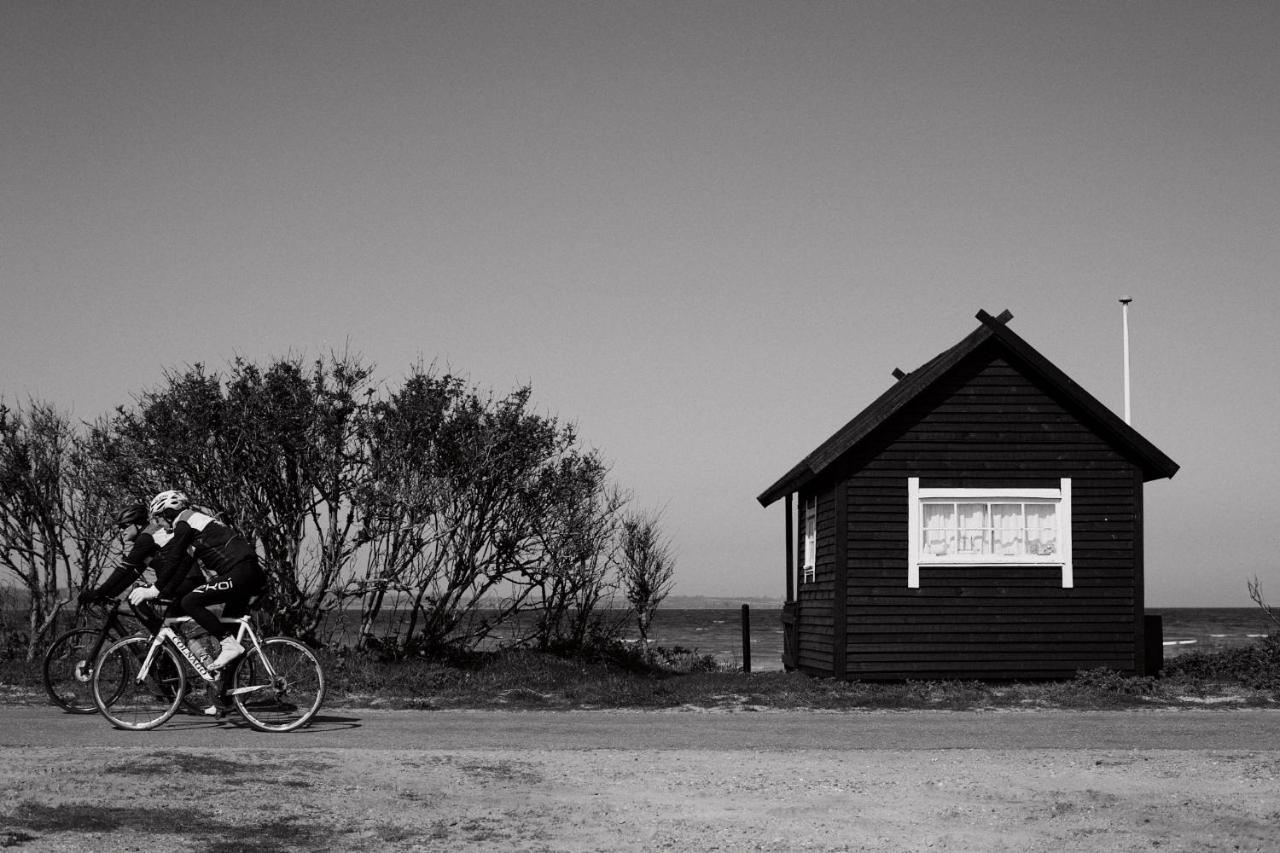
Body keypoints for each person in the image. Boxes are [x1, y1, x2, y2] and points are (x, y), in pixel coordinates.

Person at [139, 489, 266, 669]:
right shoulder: (197, 525)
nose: (158, 523)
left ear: (168, 513)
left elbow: (174, 558)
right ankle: (227, 692)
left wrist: (154, 589)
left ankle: (229, 645)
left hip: (240, 572)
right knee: (230, 632)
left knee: (190, 602)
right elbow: (182, 567)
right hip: (251, 572)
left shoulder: (184, 523)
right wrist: (164, 591)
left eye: (158, 517)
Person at [79, 503, 202, 633]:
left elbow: (124, 568)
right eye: (119, 527)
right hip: (187, 581)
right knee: (172, 631)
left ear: (137, 525)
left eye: (124, 526)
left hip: (183, 582)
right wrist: (109, 595)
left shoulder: (147, 537)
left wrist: (98, 593)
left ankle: (160, 639)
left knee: (135, 598)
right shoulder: (151, 537)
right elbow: (132, 574)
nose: (121, 531)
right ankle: (171, 645)